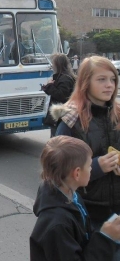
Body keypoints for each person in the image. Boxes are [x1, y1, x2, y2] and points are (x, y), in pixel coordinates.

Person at [51, 56, 120, 237]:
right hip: (90, 215)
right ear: (85, 83)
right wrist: (98, 166)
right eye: (101, 79)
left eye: (113, 79)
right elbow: (58, 172)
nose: (109, 85)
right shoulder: (71, 120)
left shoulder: (119, 113)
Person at [30, 135, 120, 260]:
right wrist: (105, 238)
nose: (92, 168)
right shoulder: (57, 225)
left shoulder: (72, 195)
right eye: (89, 166)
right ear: (77, 173)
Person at [41, 53, 76, 137]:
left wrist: (49, 86)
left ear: (57, 65)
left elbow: (61, 95)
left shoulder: (64, 78)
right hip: (60, 114)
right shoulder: (65, 76)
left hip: (60, 114)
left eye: (53, 63)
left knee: (56, 141)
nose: (52, 66)